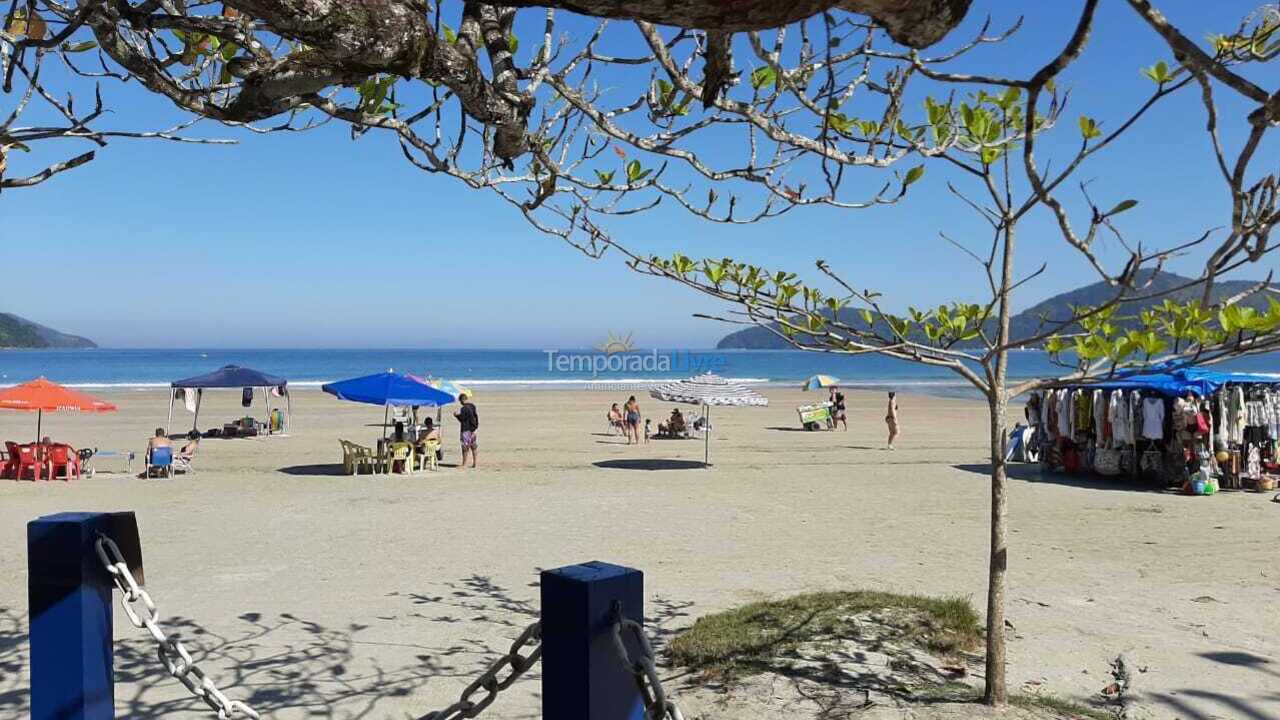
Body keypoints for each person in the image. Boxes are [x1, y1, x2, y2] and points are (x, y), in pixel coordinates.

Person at [454, 393, 479, 468]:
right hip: (473, 429)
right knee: (473, 446)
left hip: (466, 429)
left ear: (461, 400)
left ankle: (464, 464)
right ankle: (475, 463)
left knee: (465, 448)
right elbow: (476, 416)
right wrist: (476, 427)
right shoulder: (472, 406)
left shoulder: (464, 408)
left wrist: (456, 416)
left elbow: (462, 419)